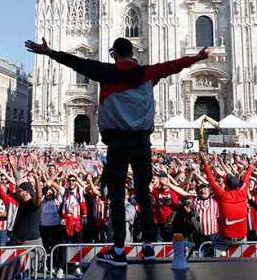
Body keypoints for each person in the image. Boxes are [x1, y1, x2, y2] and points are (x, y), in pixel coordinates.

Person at [26, 36, 212, 267]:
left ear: (114, 54)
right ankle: (148, 247)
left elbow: (78, 63)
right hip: (142, 142)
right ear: (133, 53)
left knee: (116, 197)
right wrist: (197, 57)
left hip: (118, 143)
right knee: (143, 194)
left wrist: (50, 52)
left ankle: (119, 251)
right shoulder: (148, 73)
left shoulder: (106, 72)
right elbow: (173, 65)